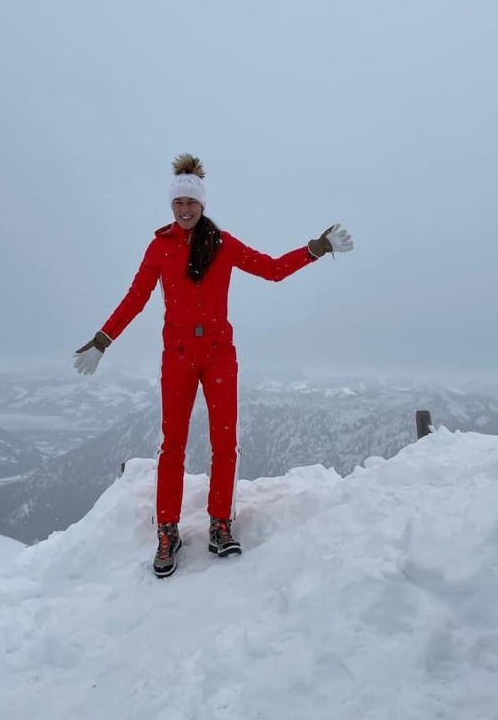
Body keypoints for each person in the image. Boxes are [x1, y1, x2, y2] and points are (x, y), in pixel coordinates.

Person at [73, 154, 354, 578]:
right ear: (172, 206)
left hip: (219, 353)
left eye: (191, 203)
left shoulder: (222, 244)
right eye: (178, 204)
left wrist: (316, 248)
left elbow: (273, 270)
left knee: (225, 442)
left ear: (202, 204)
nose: (185, 210)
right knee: (173, 444)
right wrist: (102, 340)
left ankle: (220, 524)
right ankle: (167, 531)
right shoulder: (159, 248)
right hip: (179, 356)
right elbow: (136, 298)